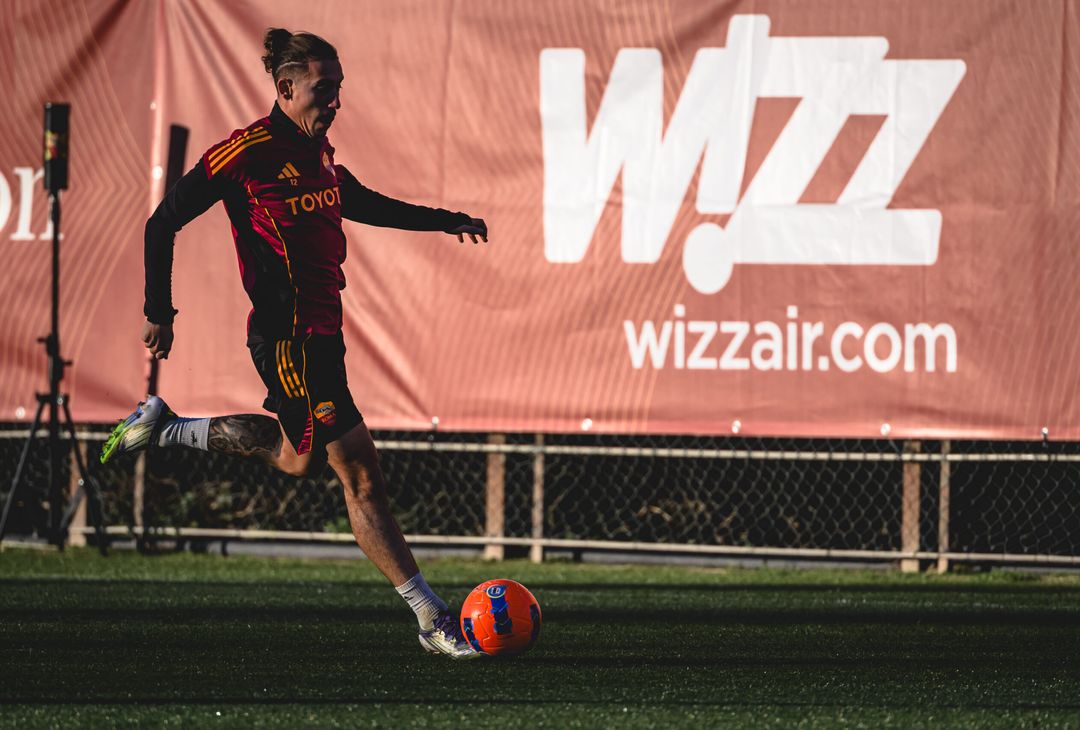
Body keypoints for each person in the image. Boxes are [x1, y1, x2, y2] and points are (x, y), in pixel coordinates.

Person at [100, 28, 487, 659]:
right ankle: (432, 618)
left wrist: (444, 220)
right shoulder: (245, 151)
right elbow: (161, 221)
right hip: (289, 339)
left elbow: (355, 200)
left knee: (297, 458)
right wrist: (158, 312)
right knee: (360, 475)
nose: (335, 100)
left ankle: (168, 428)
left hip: (322, 337)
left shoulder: (320, 150)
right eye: (324, 89)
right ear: (286, 87)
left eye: (338, 89)